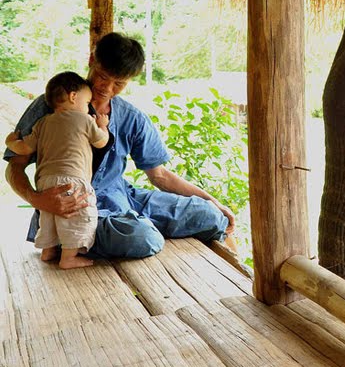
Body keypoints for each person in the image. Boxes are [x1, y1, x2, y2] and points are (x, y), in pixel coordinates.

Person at [4, 32, 235, 259]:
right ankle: (95, 235)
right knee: (141, 237)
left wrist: (214, 201)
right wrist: (37, 200)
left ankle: (133, 223)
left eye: (119, 83)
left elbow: (160, 175)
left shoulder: (131, 117)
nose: (107, 88)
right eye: (103, 76)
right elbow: (15, 165)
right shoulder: (51, 106)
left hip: (122, 194)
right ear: (92, 60)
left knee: (212, 215)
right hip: (74, 207)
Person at [5, 71, 109, 269]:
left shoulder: (42, 123)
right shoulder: (85, 120)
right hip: (73, 178)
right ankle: (69, 257)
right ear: (73, 96)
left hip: (45, 180)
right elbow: (101, 142)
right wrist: (102, 126)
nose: (89, 108)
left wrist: (10, 140)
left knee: (50, 216)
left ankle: (48, 250)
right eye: (87, 102)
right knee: (77, 215)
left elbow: (24, 148)